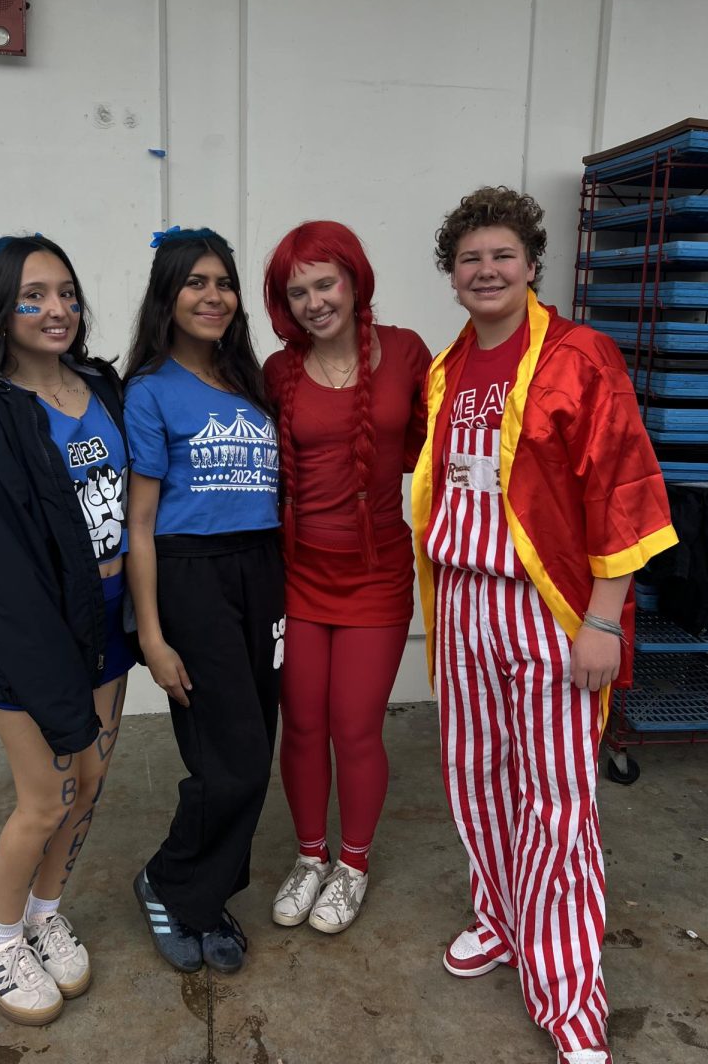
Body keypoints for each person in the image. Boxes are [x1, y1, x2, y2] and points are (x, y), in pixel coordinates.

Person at [412, 188, 677, 1064]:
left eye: (501, 256)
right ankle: (502, 917)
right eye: (468, 259)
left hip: (548, 608)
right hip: (463, 603)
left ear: (532, 264)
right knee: (476, 777)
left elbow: (624, 487)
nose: (485, 271)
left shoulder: (578, 355)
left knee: (557, 801)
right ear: (452, 276)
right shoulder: (448, 369)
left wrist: (605, 620)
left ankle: (570, 1000)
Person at [0, 232, 135, 1027]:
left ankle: (45, 912)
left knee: (90, 784)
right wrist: (54, 686)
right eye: (33, 297)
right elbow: (1, 571)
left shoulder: (101, 385)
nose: (56, 310)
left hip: (107, 630)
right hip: (29, 639)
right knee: (45, 798)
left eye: (66, 294)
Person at [262, 220, 431, 934]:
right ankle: (309, 856)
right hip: (297, 574)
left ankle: (352, 864)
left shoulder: (407, 352)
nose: (313, 301)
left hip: (377, 574)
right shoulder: (278, 371)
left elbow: (436, 451)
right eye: (296, 291)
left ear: (354, 278)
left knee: (354, 727)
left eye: (324, 282)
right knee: (300, 725)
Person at [124, 226, 283, 975]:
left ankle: (204, 895)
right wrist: (151, 636)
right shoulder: (151, 390)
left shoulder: (248, 383)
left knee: (253, 745)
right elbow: (142, 525)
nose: (212, 295)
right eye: (195, 282)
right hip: (192, 577)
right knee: (234, 760)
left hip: (263, 570)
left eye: (223, 282)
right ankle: (167, 880)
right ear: (168, 295)